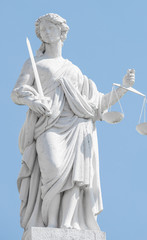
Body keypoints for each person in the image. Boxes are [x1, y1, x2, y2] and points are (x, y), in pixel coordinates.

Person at [11, 13, 134, 236]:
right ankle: (49, 223)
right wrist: (32, 100)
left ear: (61, 32)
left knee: (76, 178)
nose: (47, 32)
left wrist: (122, 89)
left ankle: (67, 225)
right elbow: (17, 92)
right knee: (55, 169)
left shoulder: (74, 70)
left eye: (51, 28)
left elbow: (97, 104)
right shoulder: (34, 63)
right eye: (43, 30)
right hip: (49, 125)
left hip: (78, 125)